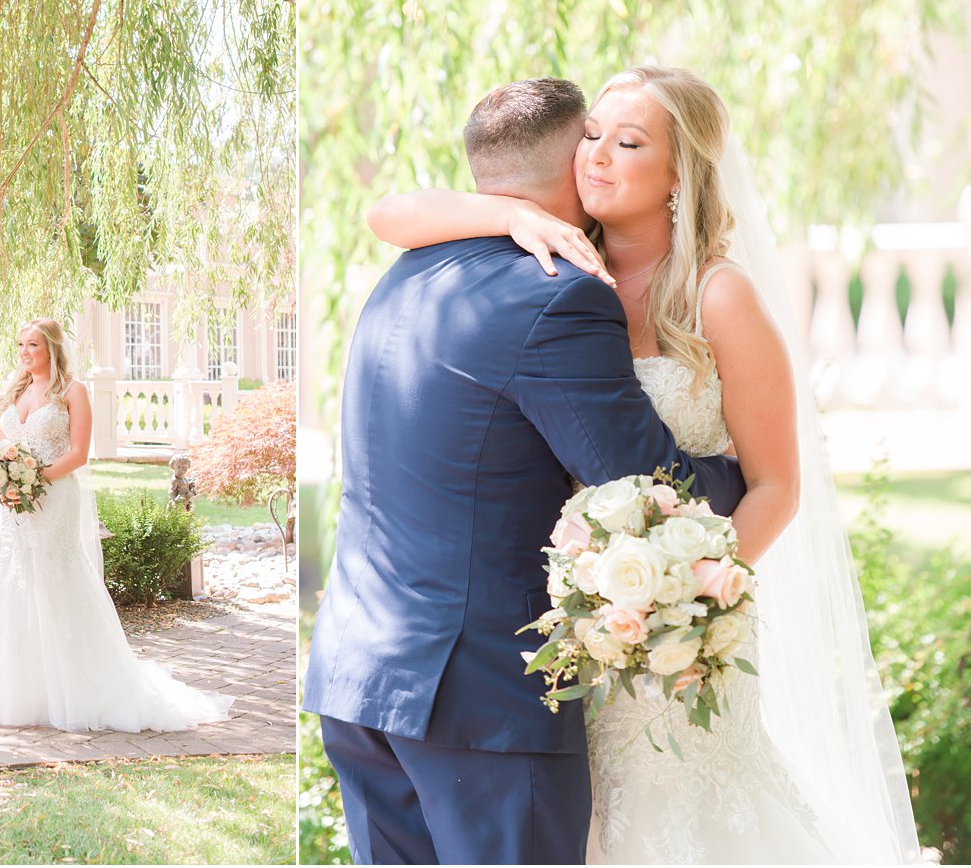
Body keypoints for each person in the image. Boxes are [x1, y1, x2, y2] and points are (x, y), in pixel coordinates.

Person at [363, 66, 919, 863]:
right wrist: (510, 213)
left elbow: (776, 485)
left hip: (668, 643)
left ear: (677, 177)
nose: (597, 154)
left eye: (629, 142)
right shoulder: (549, 261)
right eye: (592, 134)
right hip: (564, 640)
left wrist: (678, 601)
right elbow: (388, 213)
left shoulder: (719, 296)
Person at [301, 78, 750, 865]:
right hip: (477, 706)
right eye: (592, 139)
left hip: (358, 676)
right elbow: (646, 485)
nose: (602, 157)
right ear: (566, 159)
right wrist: (747, 475)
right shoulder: (557, 295)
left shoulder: (403, 277)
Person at [0, 318, 233, 731]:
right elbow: (1, 445)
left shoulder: (73, 391)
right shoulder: (15, 390)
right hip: (15, 505)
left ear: (52, 349)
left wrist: (32, 478)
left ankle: (77, 687)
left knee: (56, 576)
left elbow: (78, 454)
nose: (24, 352)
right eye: (20, 344)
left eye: (33, 345)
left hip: (55, 498)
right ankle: (16, 691)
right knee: (14, 577)